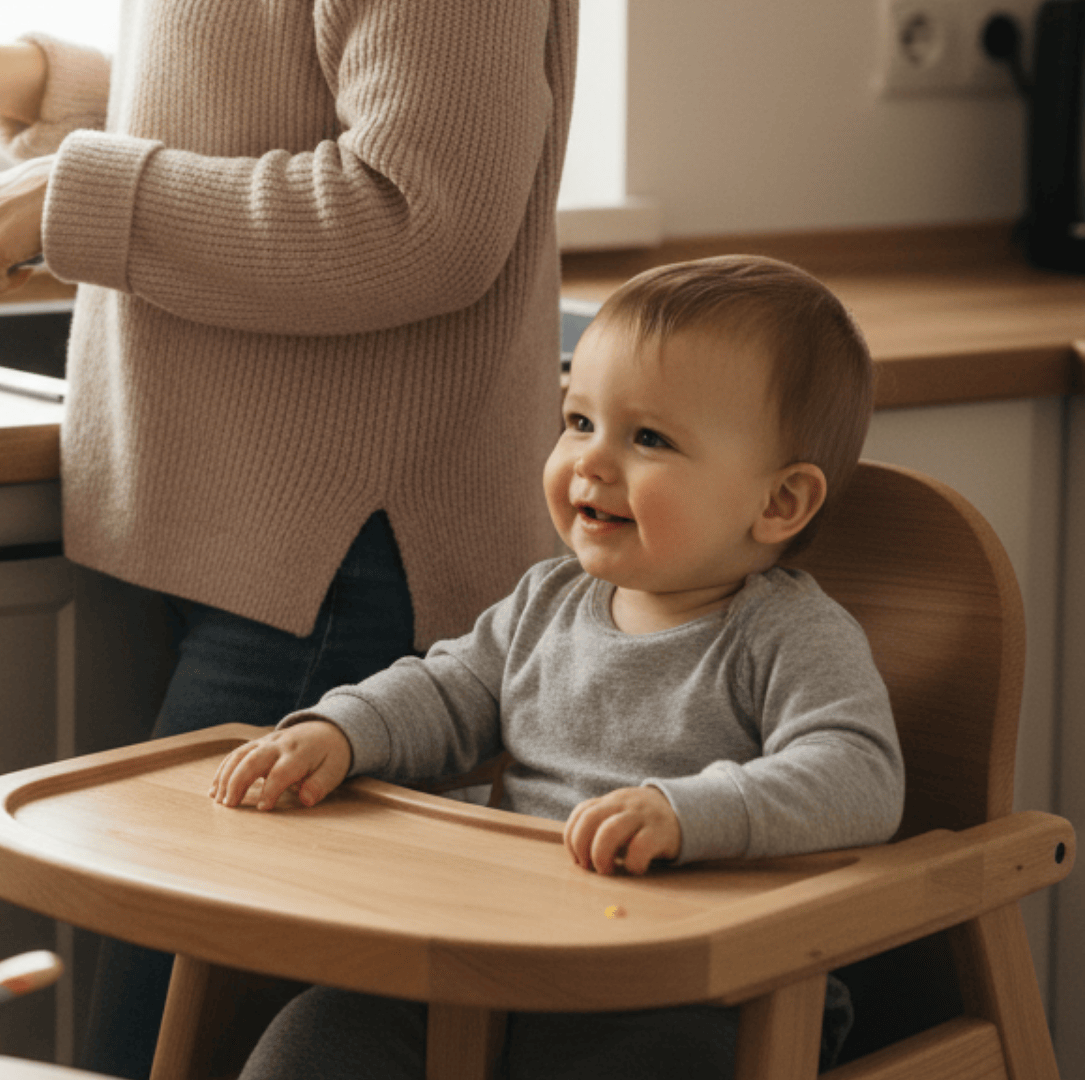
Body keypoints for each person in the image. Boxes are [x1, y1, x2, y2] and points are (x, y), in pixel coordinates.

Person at [0, 6, 578, 1076]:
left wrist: (72, 191)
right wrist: (34, 87)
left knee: (153, 1052)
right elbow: (251, 97)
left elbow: (419, 217)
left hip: (328, 579)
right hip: (237, 558)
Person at [208, 254, 905, 1079]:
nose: (592, 462)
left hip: (704, 994)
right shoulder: (549, 599)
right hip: (506, 951)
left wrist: (689, 814)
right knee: (316, 1038)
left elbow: (859, 773)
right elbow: (449, 686)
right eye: (579, 421)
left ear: (779, 503)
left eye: (648, 438)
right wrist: (346, 730)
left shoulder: (786, 634)